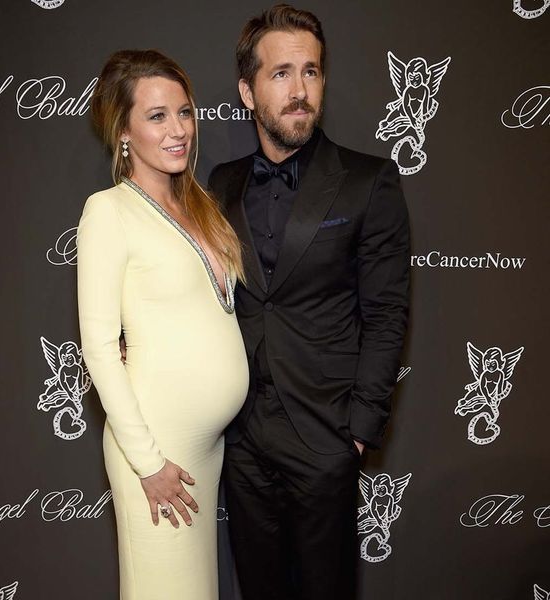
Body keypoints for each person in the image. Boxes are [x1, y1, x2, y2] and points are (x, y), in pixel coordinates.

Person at [207, 5, 410, 600]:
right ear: (248, 92)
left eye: (311, 71)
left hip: (325, 433)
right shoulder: (222, 184)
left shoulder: (368, 181)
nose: (300, 90)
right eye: (281, 74)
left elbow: (386, 313)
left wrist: (358, 432)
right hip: (242, 436)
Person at [77, 49, 249, 600]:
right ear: (123, 132)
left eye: (184, 112)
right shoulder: (108, 211)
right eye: (157, 116)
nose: (179, 130)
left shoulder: (199, 205)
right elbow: (99, 347)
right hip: (155, 449)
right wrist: (148, 462)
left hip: (204, 447)